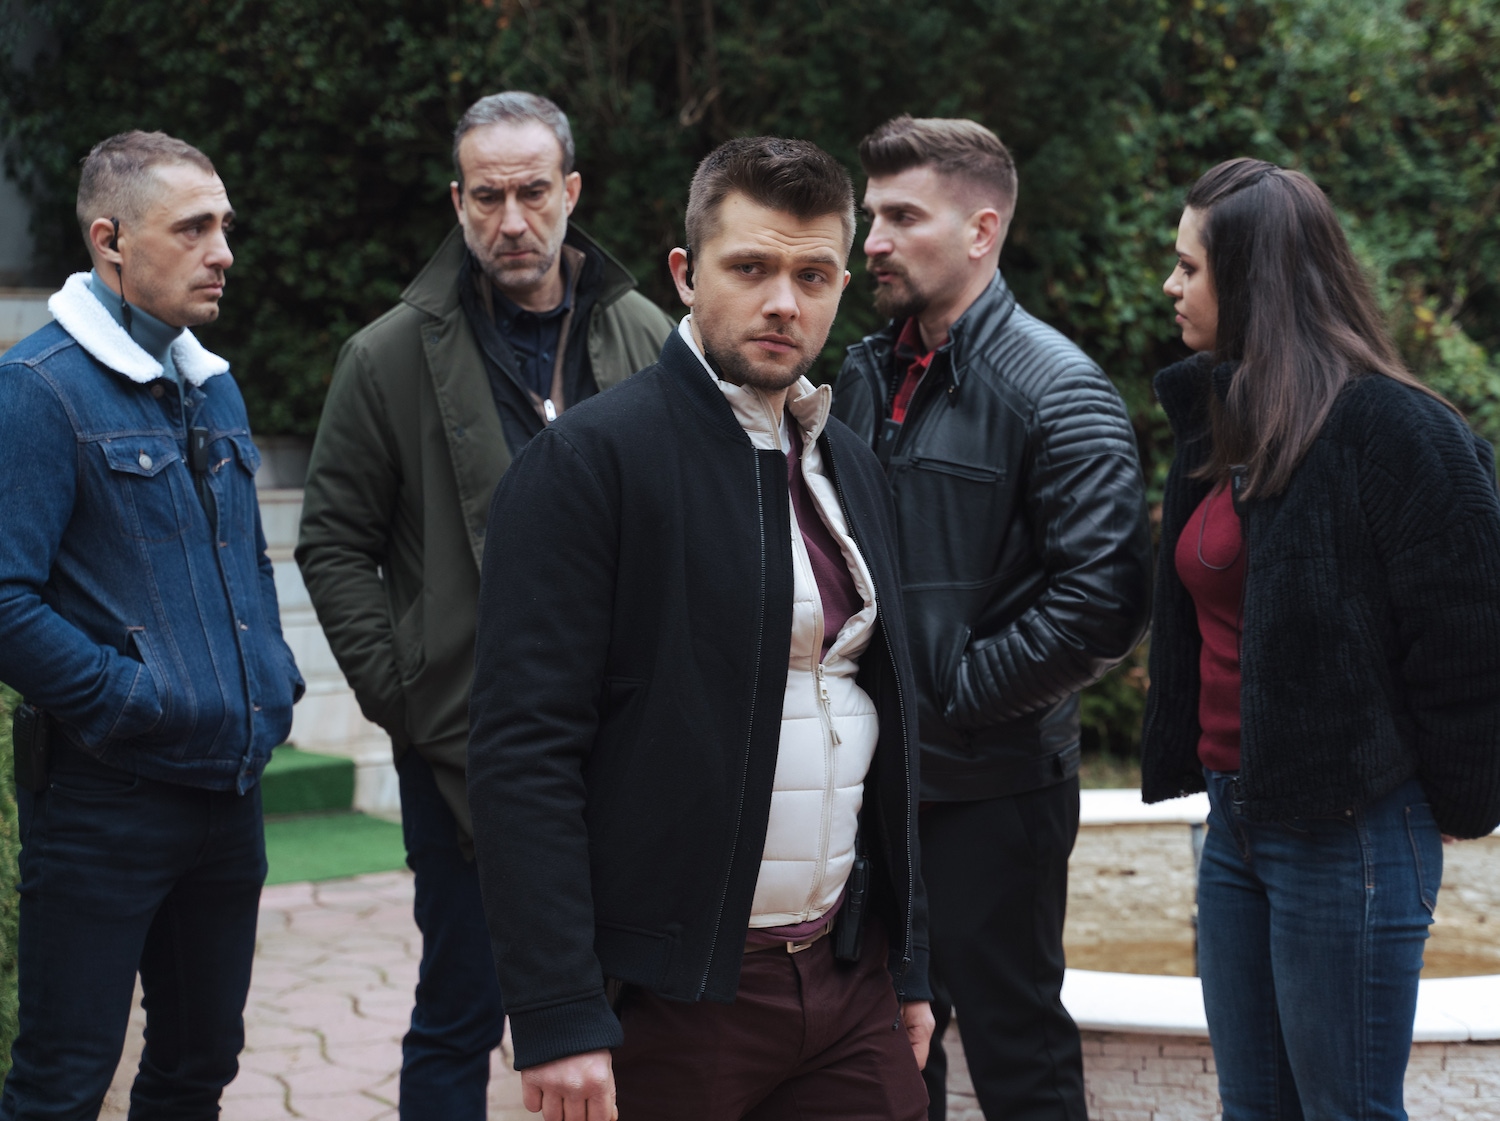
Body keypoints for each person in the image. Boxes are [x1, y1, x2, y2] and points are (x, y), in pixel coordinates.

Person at [467, 136, 935, 1121]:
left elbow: (891, 725)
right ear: (686, 273)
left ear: (842, 287)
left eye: (812, 276)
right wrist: (557, 1010)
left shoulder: (850, 464)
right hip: (672, 995)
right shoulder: (587, 464)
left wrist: (911, 960)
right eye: (751, 268)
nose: (783, 302)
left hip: (846, 972)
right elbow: (524, 752)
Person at [295, 91, 673, 1118]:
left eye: (533, 192)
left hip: (630, 745)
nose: (513, 220)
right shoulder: (386, 356)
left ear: (572, 191)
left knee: (641, 1014)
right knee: (460, 1006)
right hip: (464, 746)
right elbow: (333, 540)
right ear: (457, 202)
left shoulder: (649, 335)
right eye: (489, 196)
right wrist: (406, 692)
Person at [1144, 157, 1500, 1119]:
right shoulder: (1219, 422)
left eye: (1189, 266)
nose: (1171, 285)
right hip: (1237, 822)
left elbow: (1470, 631)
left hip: (1351, 831)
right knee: (1254, 1109)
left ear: (1251, 278)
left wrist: (1453, 799)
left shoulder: (1394, 429)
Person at [830, 116, 1153, 1121]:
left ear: (981, 231)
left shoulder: (1059, 389)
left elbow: (1103, 601)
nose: (873, 241)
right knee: (886, 1054)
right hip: (871, 784)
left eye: (901, 217)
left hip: (993, 788)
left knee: (1019, 1056)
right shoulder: (862, 373)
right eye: (872, 216)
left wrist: (955, 697)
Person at [0, 130, 303, 1119]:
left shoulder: (213, 382)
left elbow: (245, 560)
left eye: (226, 225)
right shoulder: (38, 389)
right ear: (111, 241)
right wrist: (131, 699)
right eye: (193, 228)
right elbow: (4, 597)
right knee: (62, 1082)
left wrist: (272, 677)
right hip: (105, 798)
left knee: (197, 1065)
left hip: (228, 794)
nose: (224, 252)